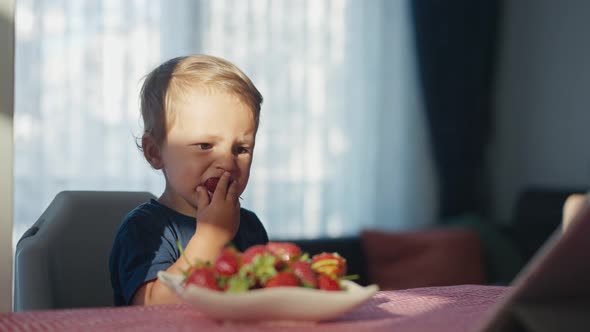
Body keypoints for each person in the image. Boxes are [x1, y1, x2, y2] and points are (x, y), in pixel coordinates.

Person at [109, 54, 269, 306]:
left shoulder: (250, 226)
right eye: (205, 145)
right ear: (155, 152)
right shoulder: (146, 229)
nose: (227, 163)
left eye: (241, 149)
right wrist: (210, 238)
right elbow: (151, 309)